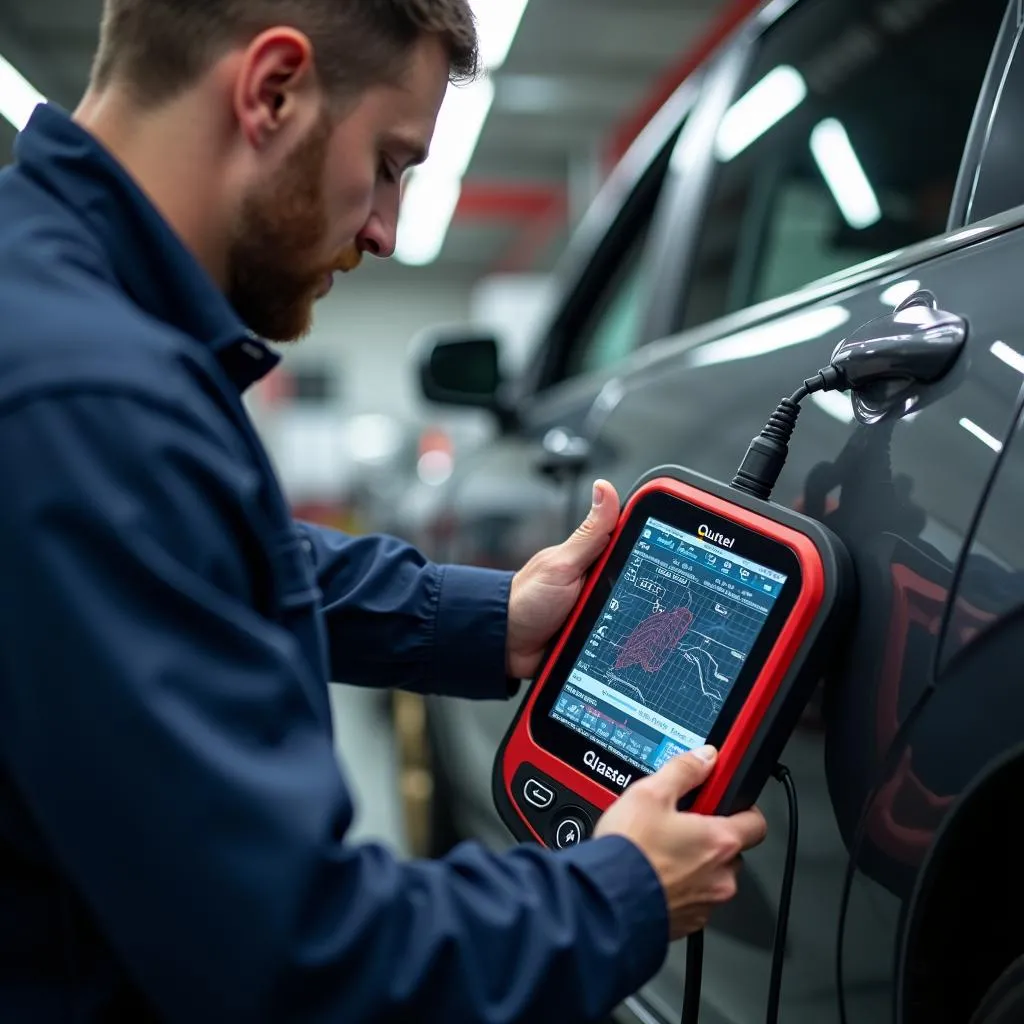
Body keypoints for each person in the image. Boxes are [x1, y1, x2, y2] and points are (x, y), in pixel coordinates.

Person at [0, 1, 768, 1021]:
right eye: (393, 161)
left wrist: (489, 616)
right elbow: (298, 956)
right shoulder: (91, 399)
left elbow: (192, 558)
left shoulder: (52, 307)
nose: (388, 230)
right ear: (271, 90)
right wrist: (618, 889)